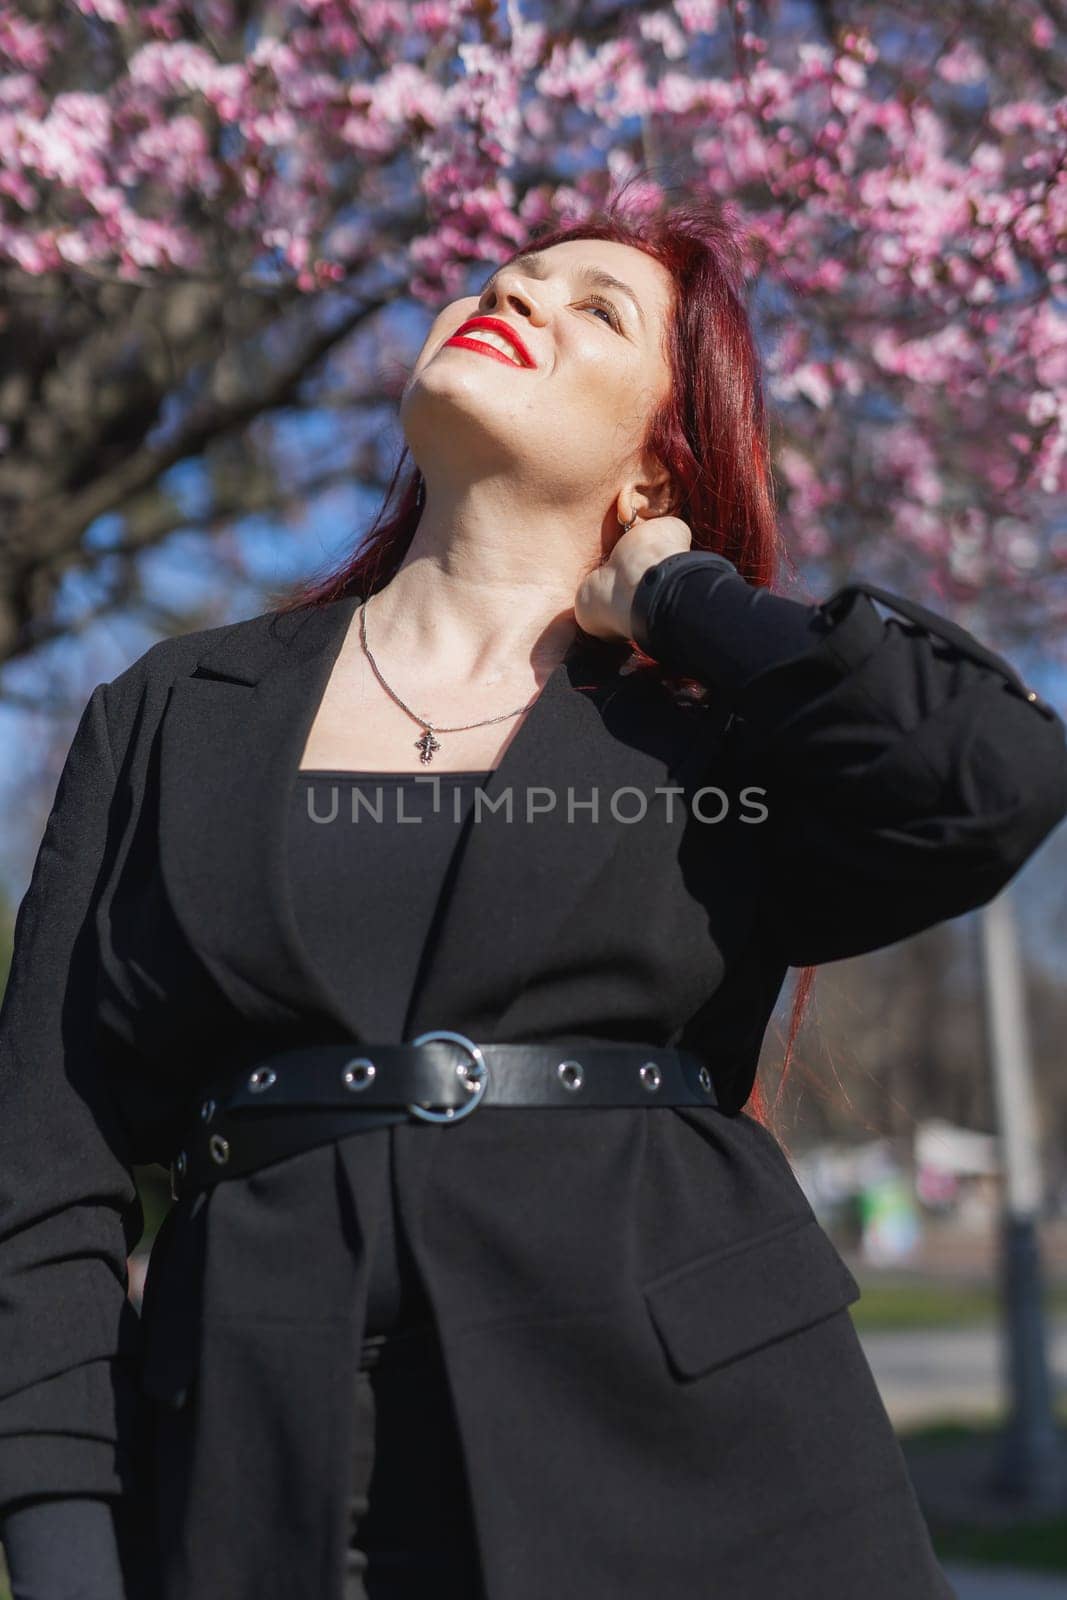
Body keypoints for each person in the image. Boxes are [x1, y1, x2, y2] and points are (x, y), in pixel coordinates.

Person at [1, 197, 1066, 1600]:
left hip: (709, 1464)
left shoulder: (711, 729)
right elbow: (41, 1173)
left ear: (651, 467)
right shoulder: (170, 713)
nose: (522, 297)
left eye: (599, 310)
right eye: (511, 275)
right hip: (258, 1473)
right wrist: (64, 1538)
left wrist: (687, 597)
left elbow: (989, 775)